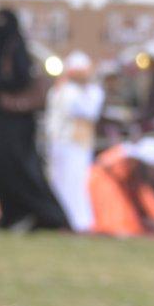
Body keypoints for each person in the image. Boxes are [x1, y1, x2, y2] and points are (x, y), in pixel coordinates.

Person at [0, 8, 69, 232]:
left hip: (16, 126)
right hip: (0, 122)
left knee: (20, 170)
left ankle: (41, 215)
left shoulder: (17, 48)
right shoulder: (1, 49)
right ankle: (12, 214)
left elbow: (17, 80)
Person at [46, 51, 105, 231]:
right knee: (58, 180)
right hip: (59, 141)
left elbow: (89, 111)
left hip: (78, 143)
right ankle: (59, 217)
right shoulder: (61, 89)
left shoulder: (91, 92)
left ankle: (79, 221)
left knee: (76, 181)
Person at [89, 136, 154, 237]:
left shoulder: (136, 170)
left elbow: (145, 195)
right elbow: (142, 193)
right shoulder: (127, 160)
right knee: (121, 225)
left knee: (132, 225)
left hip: (108, 181)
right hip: (102, 181)